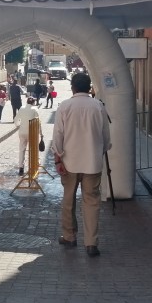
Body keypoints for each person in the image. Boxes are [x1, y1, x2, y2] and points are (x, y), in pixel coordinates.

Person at [51, 72, 111, 258]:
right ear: (89, 87)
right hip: (92, 162)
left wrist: (58, 158)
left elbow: (58, 135)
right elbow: (105, 136)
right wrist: (101, 150)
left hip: (70, 161)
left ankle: (69, 236)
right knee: (91, 202)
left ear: (73, 88)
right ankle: (91, 243)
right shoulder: (98, 106)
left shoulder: (65, 106)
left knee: (68, 200)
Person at [14, 96, 41, 176]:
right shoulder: (35, 109)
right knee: (33, 150)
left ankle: (21, 167)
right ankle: (33, 166)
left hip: (22, 132)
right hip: (32, 132)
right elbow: (38, 122)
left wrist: (18, 125)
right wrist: (40, 133)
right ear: (33, 102)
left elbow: (16, 119)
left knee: (22, 149)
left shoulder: (22, 108)